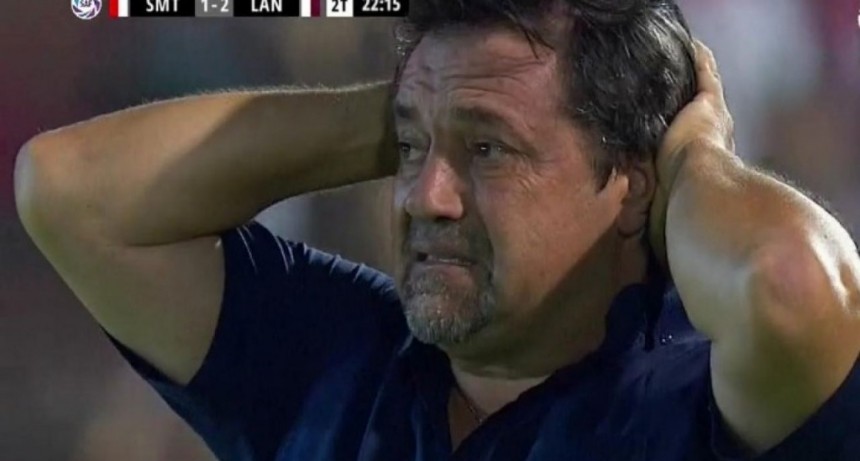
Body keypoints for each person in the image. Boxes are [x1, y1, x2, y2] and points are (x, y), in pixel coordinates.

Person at [13, 1, 859, 460]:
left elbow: (790, 281)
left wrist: (696, 153)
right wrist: (421, 109)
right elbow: (70, 189)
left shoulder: (697, 400)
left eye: (489, 150)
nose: (425, 196)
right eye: (411, 150)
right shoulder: (337, 364)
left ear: (635, 183)